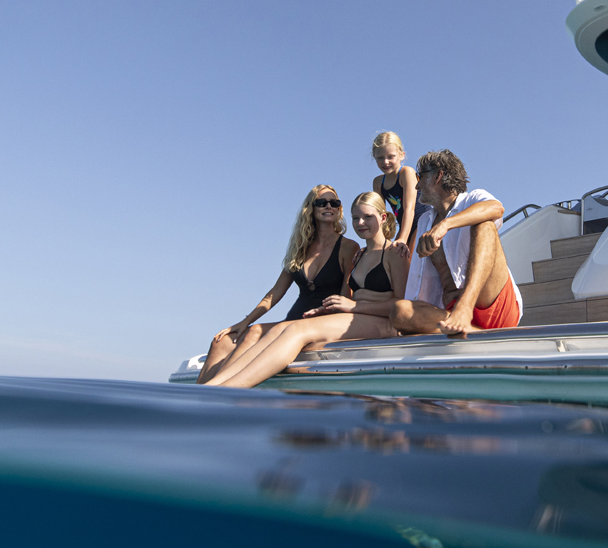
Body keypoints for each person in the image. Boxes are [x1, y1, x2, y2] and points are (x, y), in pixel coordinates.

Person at [203, 192, 407, 388]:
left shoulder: (394, 253)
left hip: (381, 322)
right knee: (277, 329)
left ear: (383, 217)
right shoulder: (360, 255)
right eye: (356, 218)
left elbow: (401, 307)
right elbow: (278, 290)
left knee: (295, 329)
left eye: (367, 217)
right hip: (353, 317)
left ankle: (231, 387)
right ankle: (215, 385)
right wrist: (326, 309)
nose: (360, 223)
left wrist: (353, 306)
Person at [391, 149, 523, 338]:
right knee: (400, 312)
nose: (417, 185)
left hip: (492, 305)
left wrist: (445, 225)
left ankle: (465, 308)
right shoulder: (425, 222)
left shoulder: (472, 199)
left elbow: (496, 208)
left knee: (485, 223)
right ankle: (475, 333)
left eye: (420, 177)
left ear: (438, 176)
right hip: (451, 315)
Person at [370, 130, 418, 258]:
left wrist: (403, 238)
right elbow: (380, 216)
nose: (385, 162)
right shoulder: (378, 182)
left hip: (422, 222)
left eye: (391, 157)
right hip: (404, 226)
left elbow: (409, 209)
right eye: (380, 157)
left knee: (408, 260)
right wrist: (375, 244)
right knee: (389, 256)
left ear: (401, 155)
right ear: (374, 157)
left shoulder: (406, 173)